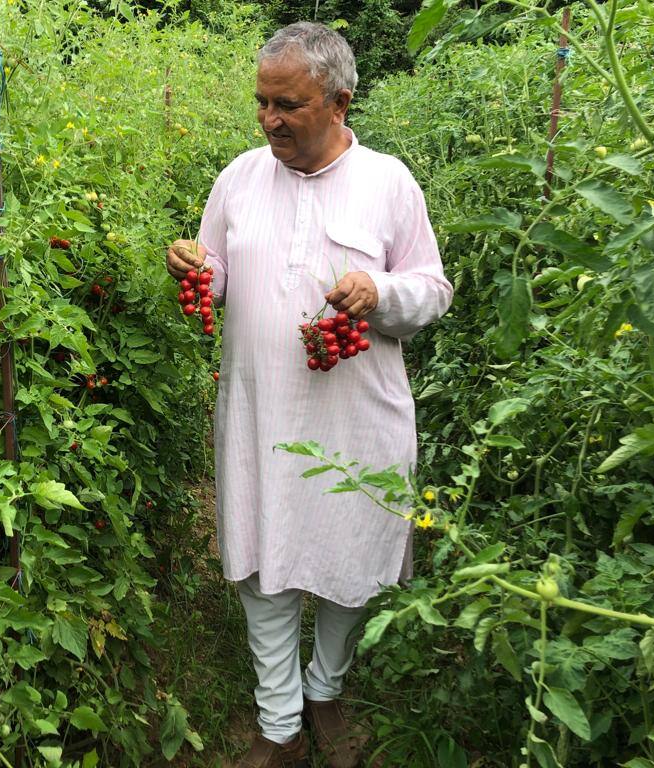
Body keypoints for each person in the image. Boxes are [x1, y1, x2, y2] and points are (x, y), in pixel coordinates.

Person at [165, 21, 453, 768]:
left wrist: (379, 289)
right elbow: (219, 275)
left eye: (287, 104)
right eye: (261, 102)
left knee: (353, 552)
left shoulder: (389, 183)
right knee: (264, 557)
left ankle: (326, 688)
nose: (269, 120)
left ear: (339, 101)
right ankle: (281, 724)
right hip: (262, 408)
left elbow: (431, 290)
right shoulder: (238, 177)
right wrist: (195, 268)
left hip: (357, 412)